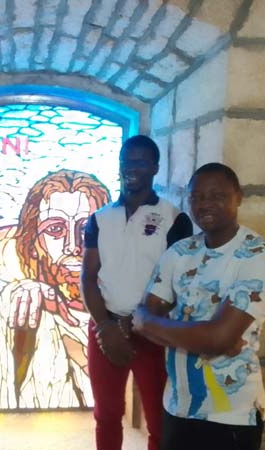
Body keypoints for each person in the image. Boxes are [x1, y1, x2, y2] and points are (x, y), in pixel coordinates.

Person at [133, 163, 265, 450]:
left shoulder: (258, 256)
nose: (205, 204)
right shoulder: (180, 252)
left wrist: (156, 326)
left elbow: (217, 339)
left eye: (217, 196)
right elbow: (143, 316)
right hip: (177, 404)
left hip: (231, 412)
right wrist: (206, 336)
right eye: (197, 197)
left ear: (238, 196)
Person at [81, 135, 193, 450]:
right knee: (106, 415)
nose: (132, 168)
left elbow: (177, 283)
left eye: (140, 162)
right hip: (105, 328)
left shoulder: (175, 219)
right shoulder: (100, 219)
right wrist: (105, 326)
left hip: (153, 331)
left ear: (155, 167)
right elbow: (88, 277)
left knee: (158, 420)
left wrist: (135, 323)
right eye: (126, 162)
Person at [0, 170, 110, 409]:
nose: (73, 246)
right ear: (33, 244)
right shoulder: (16, 300)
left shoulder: (119, 301)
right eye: (55, 229)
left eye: (85, 229)